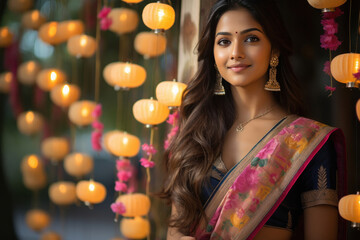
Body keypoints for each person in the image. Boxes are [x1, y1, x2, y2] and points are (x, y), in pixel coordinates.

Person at [161, 0, 346, 239]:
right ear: (214, 53)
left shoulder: (308, 141)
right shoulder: (196, 133)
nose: (236, 52)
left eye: (251, 39)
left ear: (274, 50)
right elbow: (174, 232)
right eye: (224, 41)